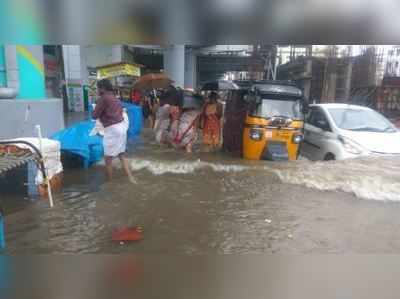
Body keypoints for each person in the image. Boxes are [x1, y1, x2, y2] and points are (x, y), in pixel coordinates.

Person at [92, 79, 135, 182]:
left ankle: (110, 183)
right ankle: (131, 178)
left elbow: (94, 115)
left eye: (98, 88)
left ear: (102, 88)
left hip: (112, 130)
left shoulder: (103, 98)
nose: (97, 90)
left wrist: (96, 107)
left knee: (108, 159)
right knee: (121, 155)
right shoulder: (115, 98)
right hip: (122, 128)